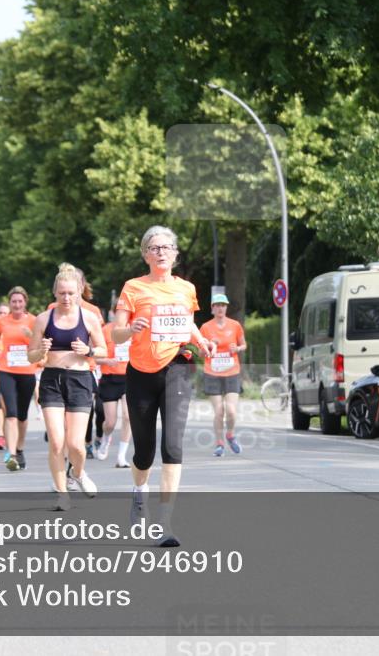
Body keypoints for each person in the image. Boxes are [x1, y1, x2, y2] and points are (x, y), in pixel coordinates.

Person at [113, 226, 215, 546]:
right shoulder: (133, 288)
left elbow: (187, 323)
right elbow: (116, 334)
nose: (161, 252)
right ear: (145, 254)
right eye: (154, 248)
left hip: (177, 369)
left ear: (175, 254)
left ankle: (164, 523)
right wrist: (130, 329)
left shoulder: (186, 288)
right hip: (140, 373)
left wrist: (203, 342)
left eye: (166, 247)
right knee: (144, 451)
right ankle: (139, 492)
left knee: (172, 445)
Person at [29, 263, 106, 510]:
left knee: (75, 444)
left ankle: (79, 473)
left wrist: (89, 351)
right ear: (55, 292)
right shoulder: (43, 318)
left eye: (71, 293)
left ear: (80, 291)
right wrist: (40, 350)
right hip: (51, 380)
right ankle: (62, 494)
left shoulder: (90, 318)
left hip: (80, 380)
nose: (66, 298)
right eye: (62, 293)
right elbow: (30, 356)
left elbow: (104, 351)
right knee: (56, 442)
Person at [0, 286, 39, 471]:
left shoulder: (34, 321)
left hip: (27, 371)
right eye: (14, 302)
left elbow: (39, 342)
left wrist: (31, 337)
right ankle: (11, 455)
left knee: (22, 416)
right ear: (10, 303)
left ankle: (20, 449)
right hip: (6, 370)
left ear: (25, 302)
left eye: (20, 301)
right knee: (10, 413)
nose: (17, 304)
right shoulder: (1, 321)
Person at [199, 294, 247, 456]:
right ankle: (219, 443)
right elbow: (199, 352)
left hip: (232, 372)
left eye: (223, 305)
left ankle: (230, 434)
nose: (220, 308)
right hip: (212, 373)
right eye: (217, 305)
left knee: (231, 410)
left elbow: (243, 344)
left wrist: (237, 349)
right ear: (212, 308)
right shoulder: (205, 328)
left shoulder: (235, 325)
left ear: (226, 308)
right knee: (219, 411)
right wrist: (209, 347)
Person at [95, 315, 132, 467]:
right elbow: (95, 357)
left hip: (130, 378)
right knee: (110, 422)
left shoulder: (134, 329)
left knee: (128, 416)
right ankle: (105, 438)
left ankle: (121, 457)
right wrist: (107, 361)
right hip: (110, 379)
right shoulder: (105, 330)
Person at [0, 302, 12, 450]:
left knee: (9, 406)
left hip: (14, 371)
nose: (2, 316)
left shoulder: (14, 329)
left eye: (5, 313)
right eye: (0, 313)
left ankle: (9, 433)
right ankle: (0, 435)